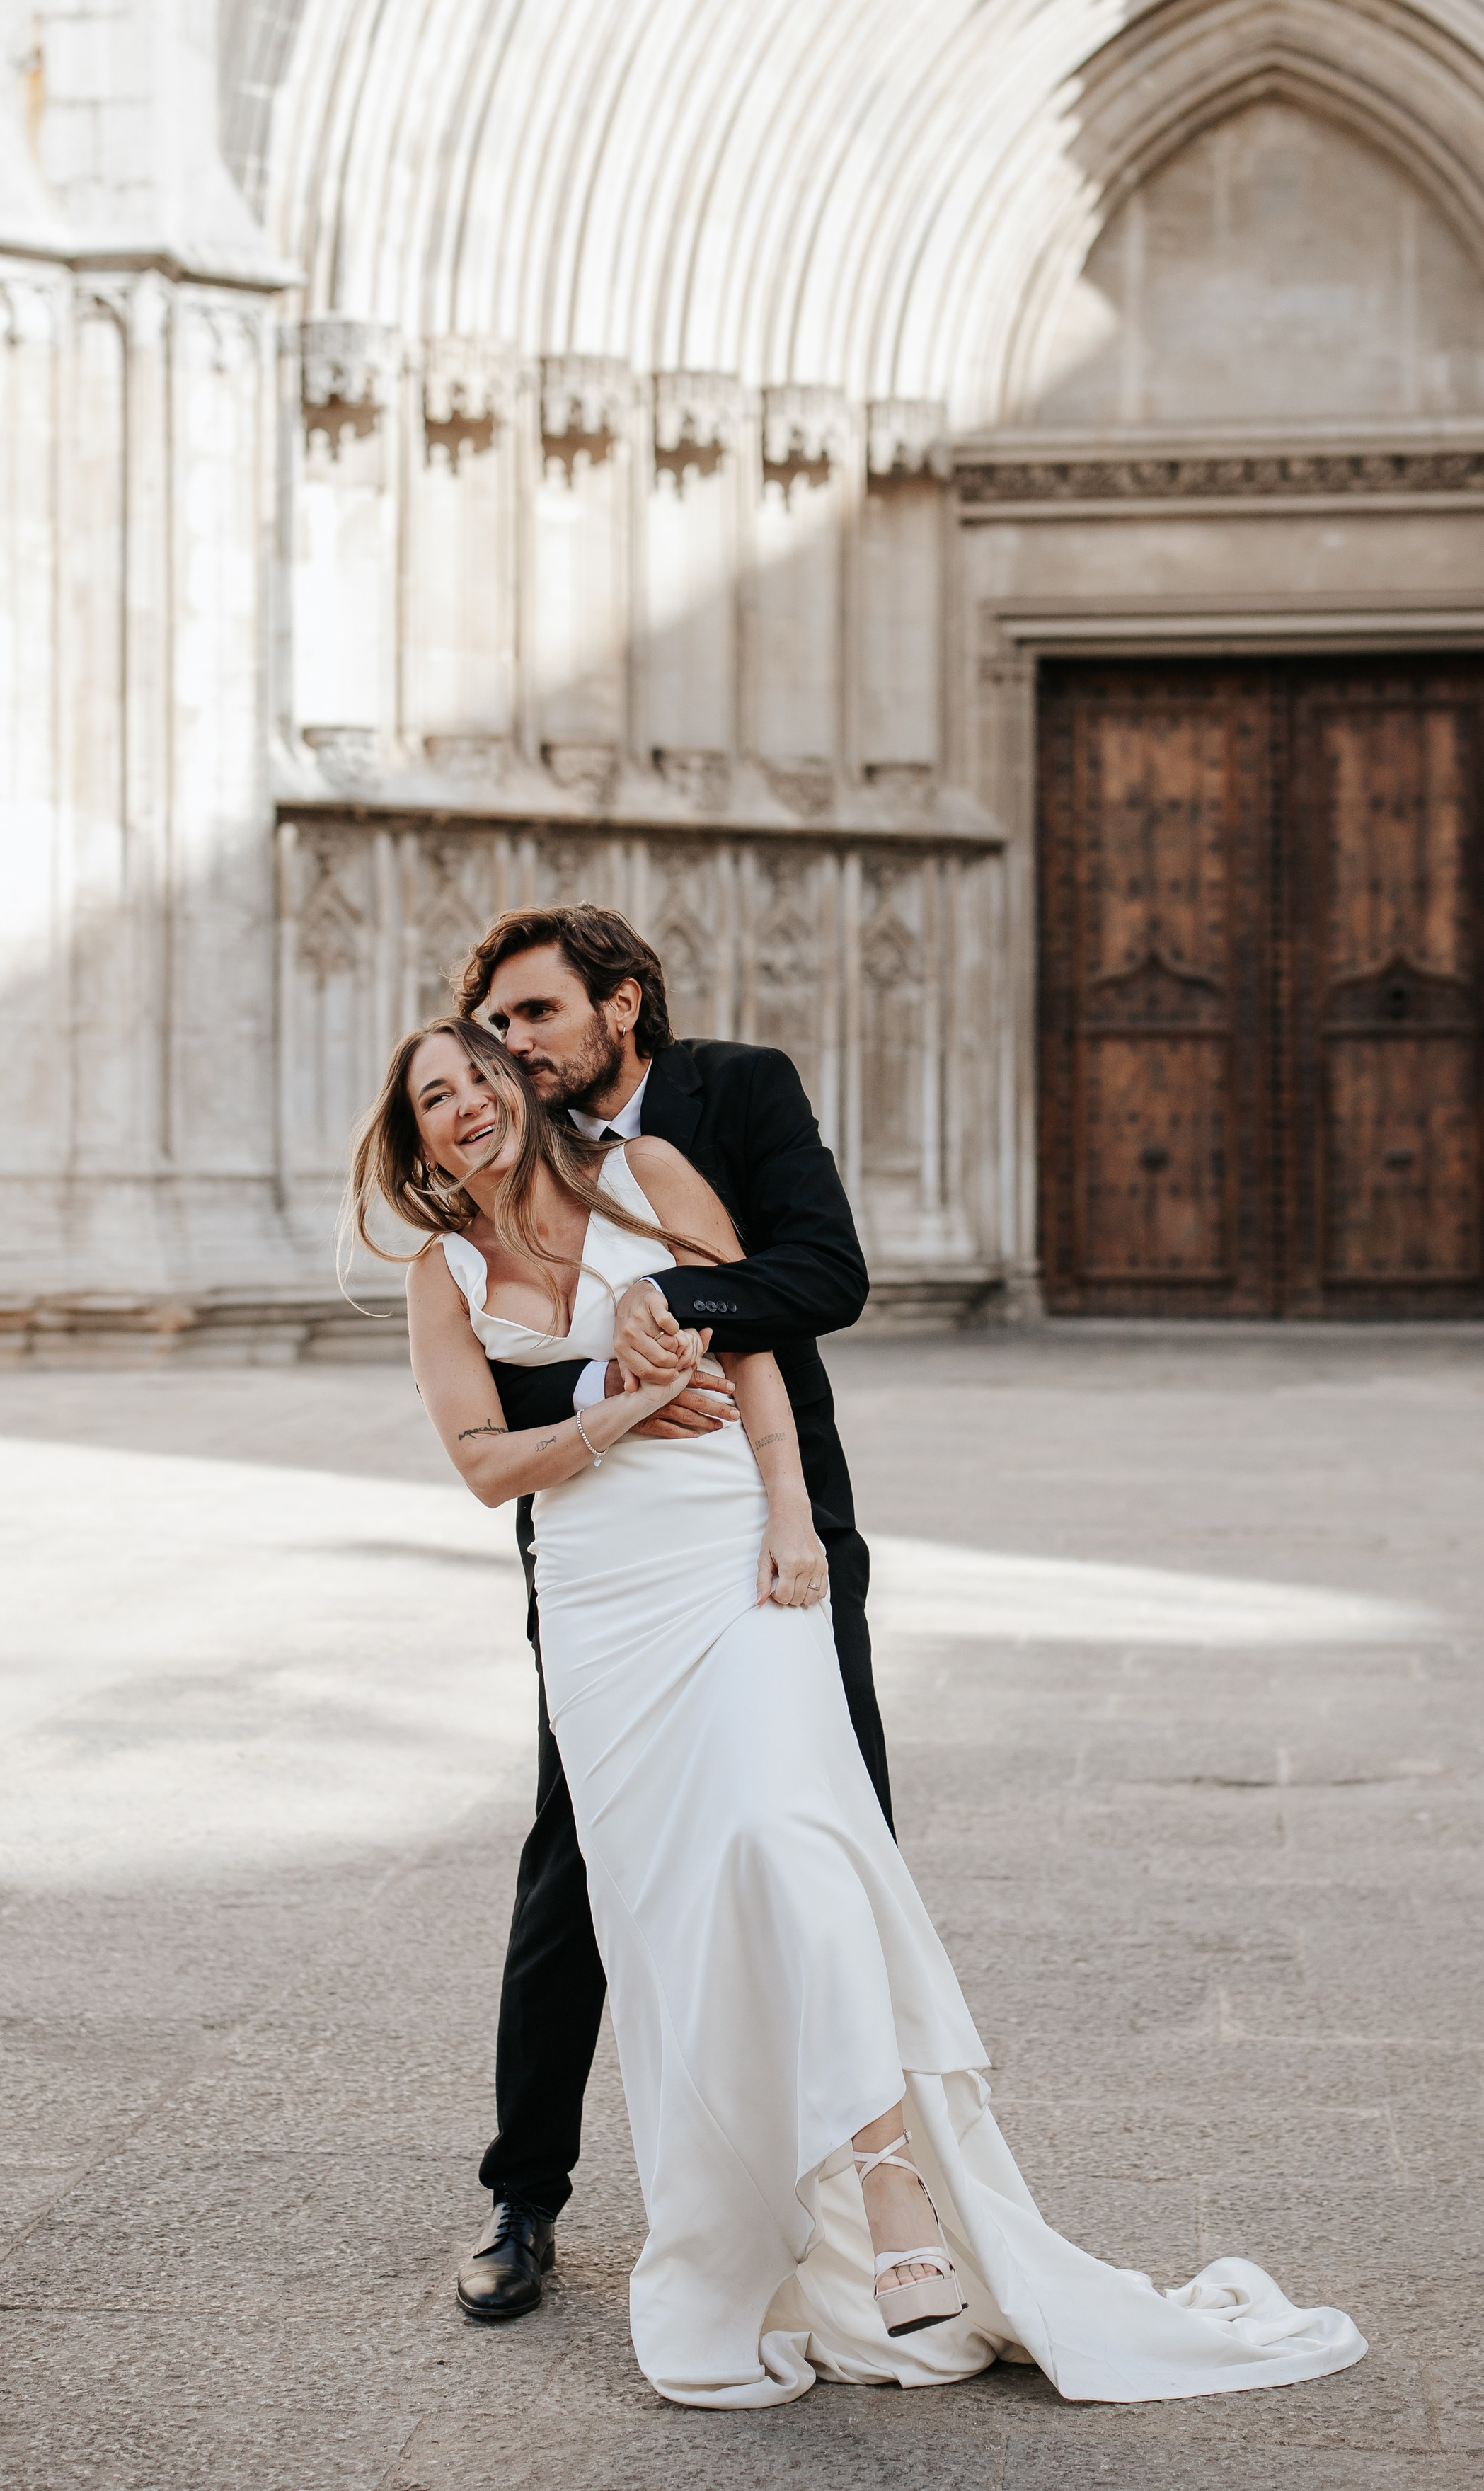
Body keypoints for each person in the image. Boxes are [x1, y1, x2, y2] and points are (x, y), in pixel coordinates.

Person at [346, 1007, 1367, 2409]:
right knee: (679, 1924)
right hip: (600, 1606)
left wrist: (791, 1517)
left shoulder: (649, 1179)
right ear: (415, 1142)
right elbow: (479, 1463)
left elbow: (757, 1345)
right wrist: (615, 1414)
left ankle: (890, 2188)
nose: (464, 1106)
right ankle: (749, 2224)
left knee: (788, 1834)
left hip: (728, 1552)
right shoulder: (443, 1273)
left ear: (518, 1091)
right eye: (431, 1100)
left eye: (476, 1078)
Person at [442, 904, 890, 2321]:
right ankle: (523, 2195)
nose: (513, 1046)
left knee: (826, 1833)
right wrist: (606, 1386)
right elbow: (489, 1383)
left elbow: (825, 1277)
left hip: (764, 1528)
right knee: (575, 1850)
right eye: (494, 1028)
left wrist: (667, 1297)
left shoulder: (729, 1093)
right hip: (598, 1554)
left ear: (620, 1002)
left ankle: (880, 2191)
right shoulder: (501, 1165)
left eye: (535, 1015)